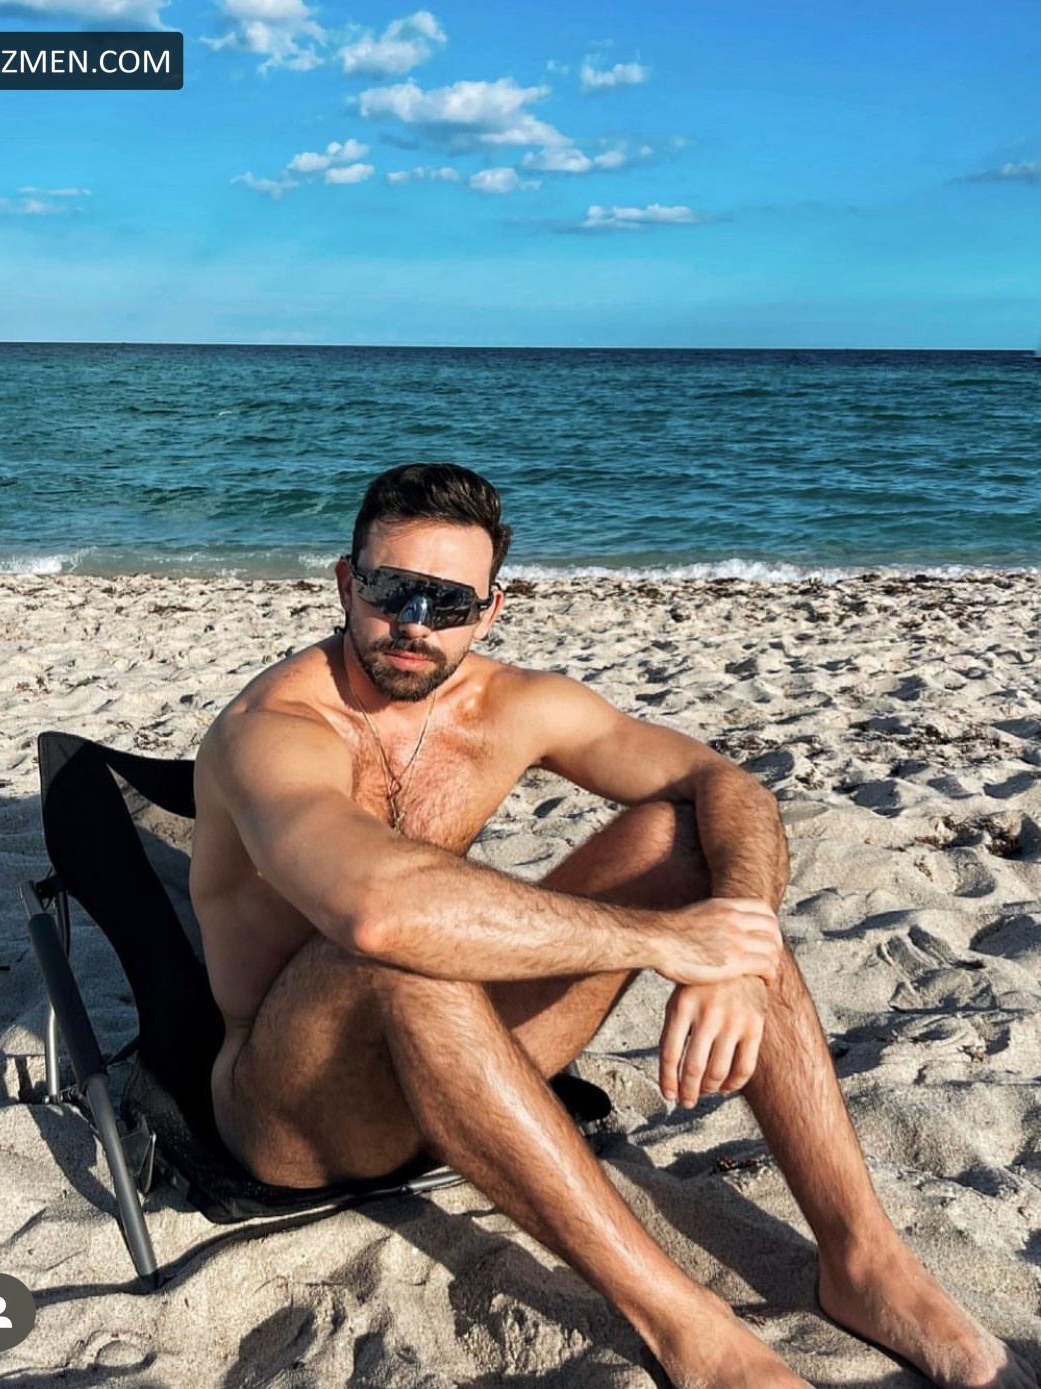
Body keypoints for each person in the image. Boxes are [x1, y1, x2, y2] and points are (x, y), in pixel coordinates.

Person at [190, 463, 1034, 1389]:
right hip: (297, 1111)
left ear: (490, 611)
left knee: (687, 846)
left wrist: (734, 943)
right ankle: (686, 1327)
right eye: (392, 589)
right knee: (393, 949)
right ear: (346, 582)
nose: (416, 623)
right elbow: (376, 910)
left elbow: (725, 784)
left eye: (450, 601)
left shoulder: (511, 705)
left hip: (467, 1067)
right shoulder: (276, 727)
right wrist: (665, 941)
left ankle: (864, 1261)